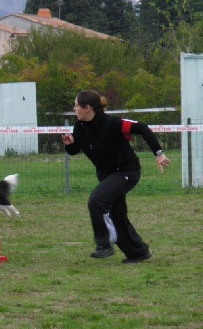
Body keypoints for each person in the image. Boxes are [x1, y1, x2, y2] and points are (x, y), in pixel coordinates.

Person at [62, 90, 171, 263]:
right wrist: (70, 144)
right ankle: (138, 252)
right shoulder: (79, 127)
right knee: (117, 215)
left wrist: (158, 153)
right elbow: (75, 150)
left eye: (76, 105)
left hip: (127, 171)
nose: (74, 108)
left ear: (87, 108)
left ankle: (104, 245)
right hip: (107, 176)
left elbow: (142, 127)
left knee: (96, 201)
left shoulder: (113, 123)